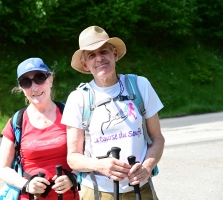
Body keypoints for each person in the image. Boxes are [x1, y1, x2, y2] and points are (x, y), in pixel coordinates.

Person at [61, 26, 165, 199]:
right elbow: (73, 158)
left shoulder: (140, 85)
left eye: (104, 51)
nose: (100, 58)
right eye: (92, 55)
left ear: (114, 54)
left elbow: (157, 138)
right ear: (85, 64)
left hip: (140, 189)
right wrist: (100, 165)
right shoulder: (78, 98)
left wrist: (147, 167)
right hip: (97, 191)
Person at [0, 58, 79, 200]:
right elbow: (2, 168)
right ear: (22, 89)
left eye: (39, 78)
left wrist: (73, 177)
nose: (34, 87)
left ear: (51, 80)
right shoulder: (17, 121)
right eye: (26, 82)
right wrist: (27, 184)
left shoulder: (70, 113)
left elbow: (86, 155)